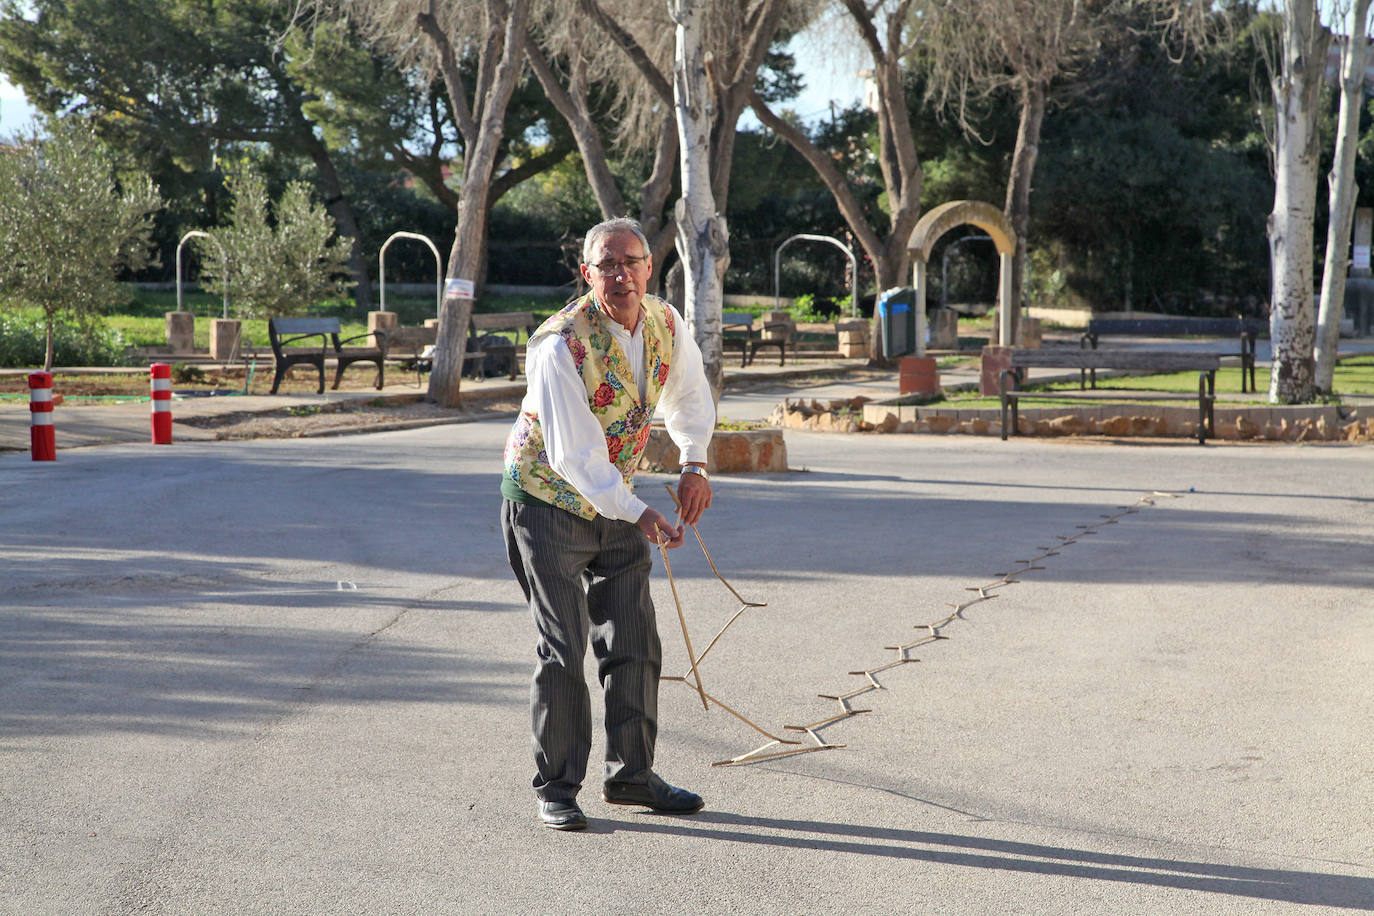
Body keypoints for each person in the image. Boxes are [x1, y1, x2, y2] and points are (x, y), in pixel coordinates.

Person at [500, 217, 716, 831]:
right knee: (564, 648)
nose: (621, 275)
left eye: (632, 262)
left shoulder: (664, 323)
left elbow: (688, 398)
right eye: (607, 265)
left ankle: (632, 776)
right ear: (586, 274)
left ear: (650, 267)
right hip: (548, 501)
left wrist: (694, 464)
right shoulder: (558, 343)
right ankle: (558, 787)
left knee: (635, 639)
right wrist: (643, 510)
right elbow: (574, 457)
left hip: (617, 499)